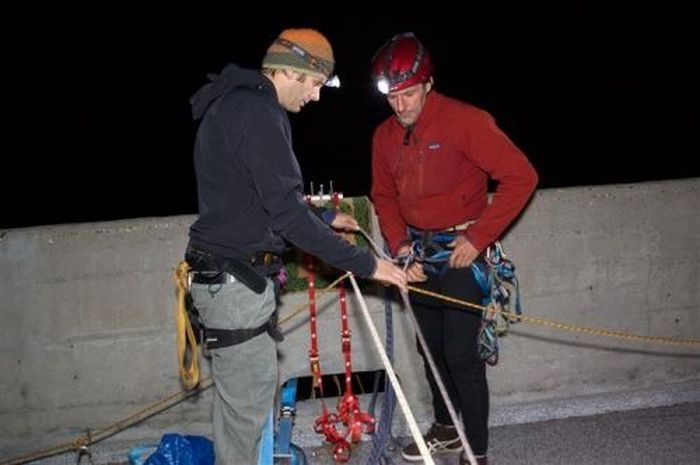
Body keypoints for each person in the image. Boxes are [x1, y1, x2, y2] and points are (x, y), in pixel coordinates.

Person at [184, 28, 407, 465]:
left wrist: (324, 217)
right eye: (316, 85)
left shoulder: (235, 104)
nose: (317, 98)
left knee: (240, 412)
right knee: (243, 418)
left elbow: (256, 198)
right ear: (291, 71)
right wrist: (368, 266)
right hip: (235, 283)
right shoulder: (259, 111)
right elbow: (285, 217)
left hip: (226, 278)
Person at [370, 32, 538, 465]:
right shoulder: (384, 137)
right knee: (431, 349)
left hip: (462, 251)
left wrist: (479, 236)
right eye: (393, 97)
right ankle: (446, 428)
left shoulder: (466, 121)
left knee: (462, 355)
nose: (401, 105)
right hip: (417, 255)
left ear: (428, 84)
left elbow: (522, 176)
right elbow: (384, 196)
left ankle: (476, 451)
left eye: (409, 94)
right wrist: (401, 245)